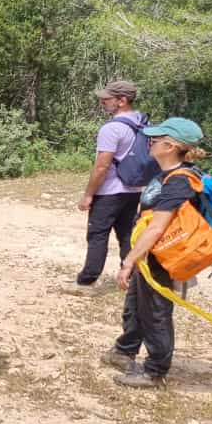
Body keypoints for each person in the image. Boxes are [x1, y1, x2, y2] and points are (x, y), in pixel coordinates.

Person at [103, 118, 207, 388]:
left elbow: (157, 227)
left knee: (156, 312)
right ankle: (125, 350)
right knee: (136, 305)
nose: (149, 141)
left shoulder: (179, 181)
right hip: (150, 256)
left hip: (162, 258)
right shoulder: (166, 174)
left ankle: (155, 371)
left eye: (155, 138)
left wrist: (129, 261)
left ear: (170, 146)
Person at [75, 80, 147, 288]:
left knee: (98, 234)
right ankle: (131, 276)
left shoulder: (112, 128)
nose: (102, 102)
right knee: (126, 234)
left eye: (107, 99)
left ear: (122, 101)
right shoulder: (141, 122)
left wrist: (88, 194)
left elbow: (101, 166)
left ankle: (87, 279)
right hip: (134, 189)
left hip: (109, 191)